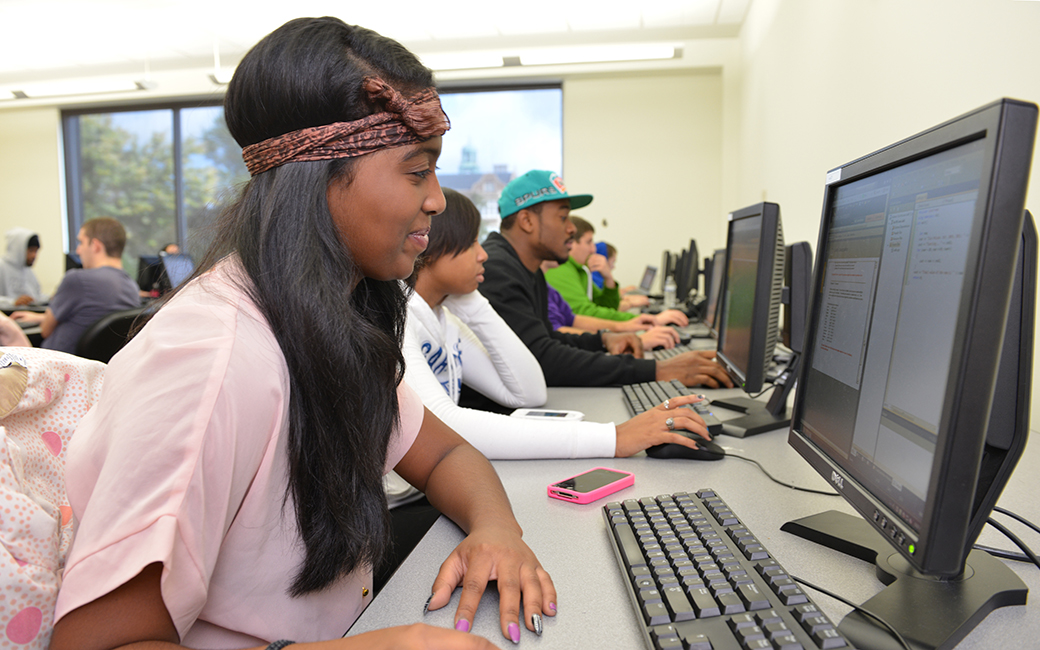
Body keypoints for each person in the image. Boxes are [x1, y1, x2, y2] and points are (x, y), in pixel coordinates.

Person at [49, 17, 552, 650]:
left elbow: (448, 454)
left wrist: (496, 529)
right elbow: (99, 643)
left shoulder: (324, 323)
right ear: (318, 177)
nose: (436, 202)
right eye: (416, 171)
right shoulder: (210, 363)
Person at [403, 188, 710, 460]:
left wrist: (471, 302)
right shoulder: (400, 317)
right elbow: (444, 423)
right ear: (431, 246)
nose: (482, 254)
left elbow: (530, 393)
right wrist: (614, 438)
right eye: (471, 243)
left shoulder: (448, 315)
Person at [479, 169, 733, 388]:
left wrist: (603, 340)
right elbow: (542, 359)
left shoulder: (524, 269)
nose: (570, 228)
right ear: (526, 221)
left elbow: (546, 338)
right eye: (563, 217)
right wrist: (657, 370)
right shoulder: (497, 269)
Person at [10, 218, 139, 355]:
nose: (78, 250)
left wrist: (45, 318)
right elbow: (92, 317)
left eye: (81, 242)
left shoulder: (77, 279)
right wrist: (40, 317)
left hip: (56, 367)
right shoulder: (131, 286)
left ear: (95, 246)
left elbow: (45, 330)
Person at [545, 216, 687, 327]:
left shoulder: (580, 270)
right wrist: (647, 320)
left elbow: (607, 306)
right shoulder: (560, 270)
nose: (593, 249)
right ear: (572, 242)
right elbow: (585, 314)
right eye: (588, 242)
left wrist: (609, 279)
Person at [542, 261, 680, 350]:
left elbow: (572, 319)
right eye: (588, 241)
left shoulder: (545, 285)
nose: (593, 249)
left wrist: (623, 327)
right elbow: (555, 334)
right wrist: (624, 342)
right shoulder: (561, 273)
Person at [0, 227, 45, 309]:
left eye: (36, 251)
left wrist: (52, 298)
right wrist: (13, 302)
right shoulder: (2, 266)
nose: (34, 256)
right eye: (31, 250)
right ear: (17, 249)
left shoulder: (27, 270)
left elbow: (36, 297)